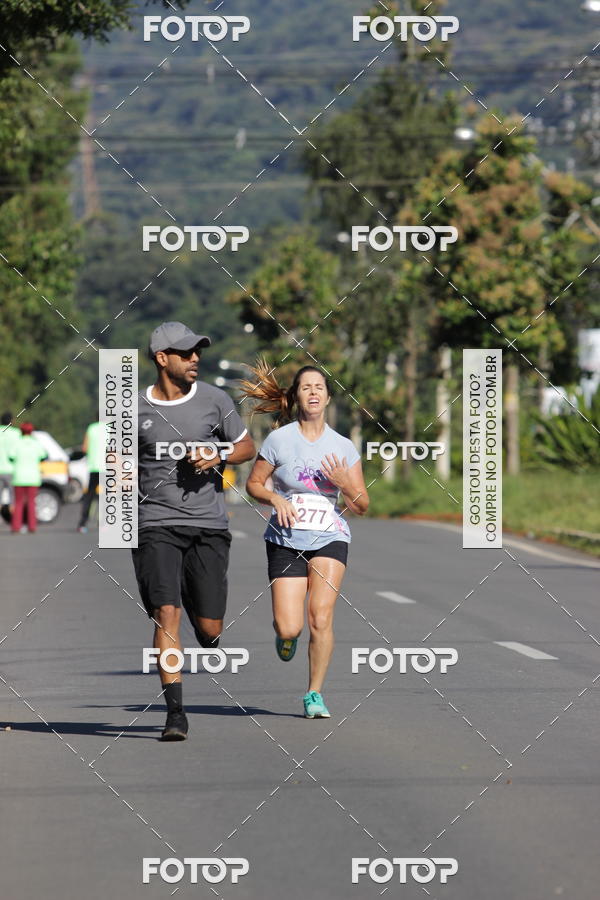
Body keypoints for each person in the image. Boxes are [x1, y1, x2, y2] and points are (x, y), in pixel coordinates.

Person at [132, 322, 255, 741]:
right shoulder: (131, 408)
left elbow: (245, 447)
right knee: (166, 613)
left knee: (210, 630)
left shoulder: (214, 400)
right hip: (155, 525)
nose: (195, 359)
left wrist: (216, 451)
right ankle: (175, 714)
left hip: (207, 526)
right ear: (162, 358)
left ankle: (194, 598)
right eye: (186, 353)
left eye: (197, 352)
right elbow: (117, 463)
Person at [243, 361, 369, 719]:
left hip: (330, 537)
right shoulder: (280, 439)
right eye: (305, 387)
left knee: (321, 617)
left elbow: (361, 506)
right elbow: (253, 484)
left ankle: (314, 693)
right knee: (290, 625)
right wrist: (275, 498)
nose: (313, 392)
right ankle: (285, 635)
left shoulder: (343, 447)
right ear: (296, 397)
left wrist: (345, 484)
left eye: (319, 387)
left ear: (327, 397)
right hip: (285, 538)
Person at [9, 423, 47, 534]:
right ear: (31, 431)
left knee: (19, 503)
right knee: (31, 502)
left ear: (21, 431)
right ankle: (32, 526)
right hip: (33, 477)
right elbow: (43, 456)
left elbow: (11, 457)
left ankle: (16, 527)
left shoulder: (17, 443)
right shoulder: (36, 443)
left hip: (19, 477)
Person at [77, 420, 104, 533]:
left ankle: (82, 523)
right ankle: (103, 523)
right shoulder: (111, 429)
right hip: (106, 467)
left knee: (89, 496)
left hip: (93, 467)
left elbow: (84, 448)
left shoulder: (91, 428)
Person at [0, 411, 21, 525]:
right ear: (11, 421)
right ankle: (15, 522)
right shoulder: (16, 433)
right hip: (12, 470)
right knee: (13, 498)